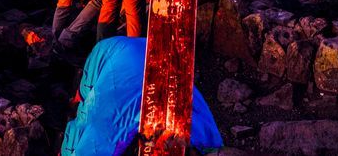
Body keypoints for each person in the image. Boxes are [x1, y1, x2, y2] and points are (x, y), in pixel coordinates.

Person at [61, 36, 223, 155]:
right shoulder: (204, 134)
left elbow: (92, 128)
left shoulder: (101, 123)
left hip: (132, 58)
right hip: (146, 53)